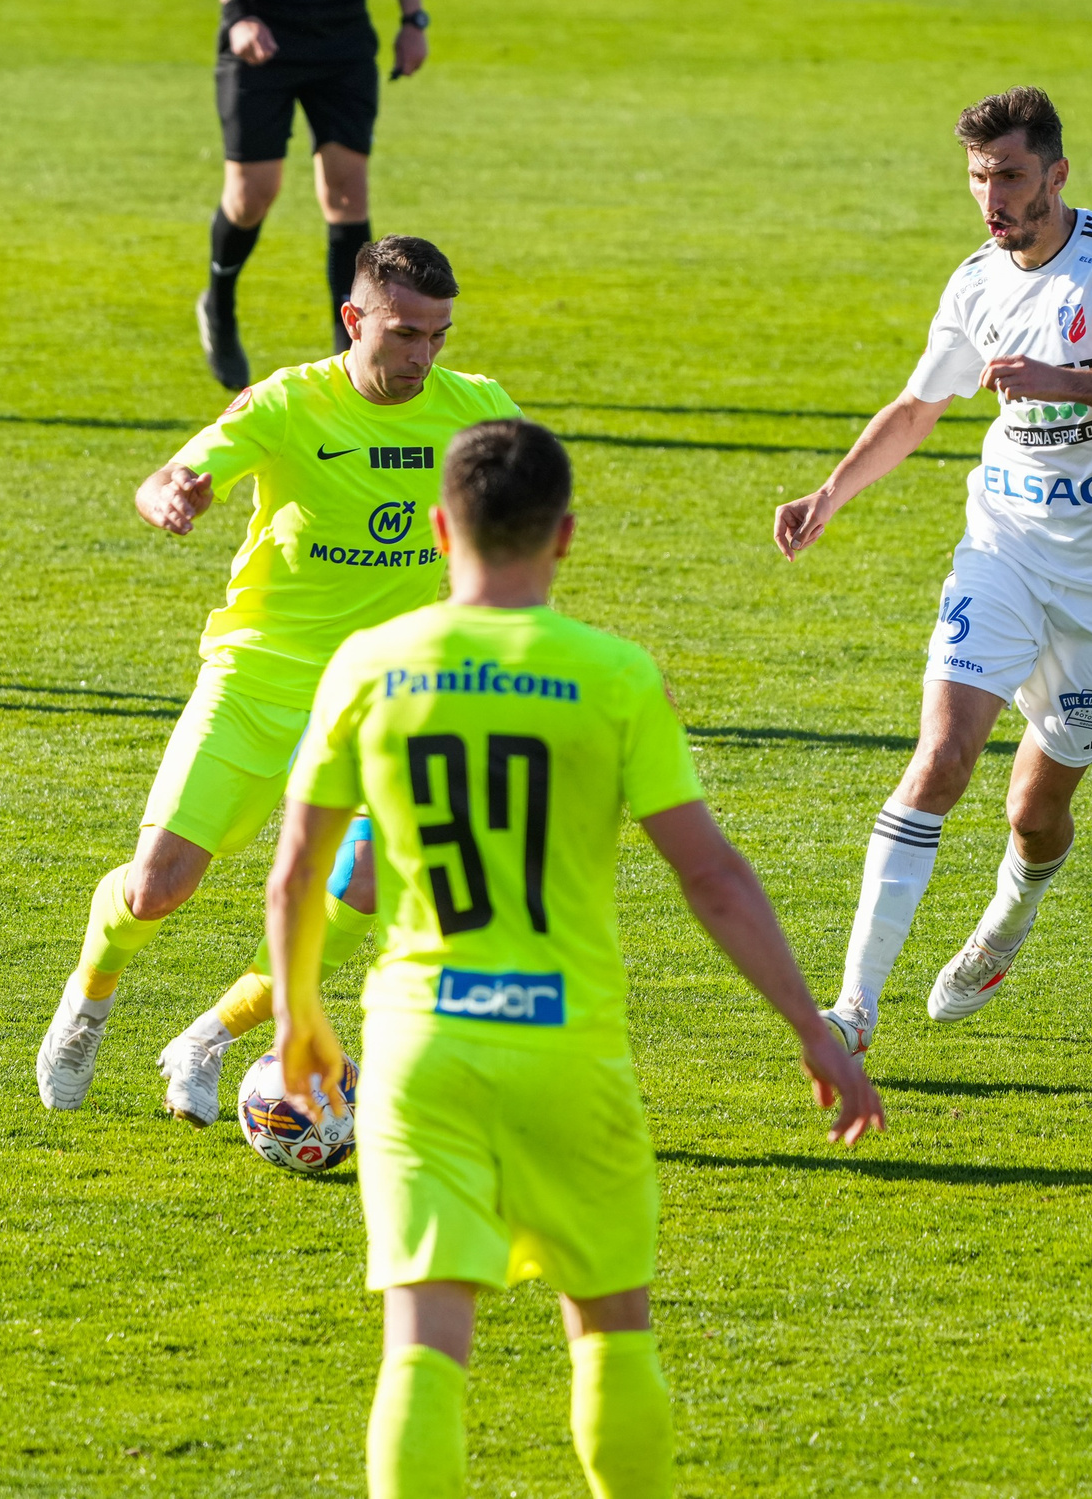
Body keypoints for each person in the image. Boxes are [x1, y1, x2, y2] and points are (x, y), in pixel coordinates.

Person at [269, 419, 884, 1499]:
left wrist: (295, 1016)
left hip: (423, 1046)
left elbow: (296, 876)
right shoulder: (612, 676)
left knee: (421, 1345)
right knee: (609, 1332)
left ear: (434, 526)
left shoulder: (370, 665)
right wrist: (810, 1028)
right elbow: (715, 879)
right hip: (568, 1049)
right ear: (563, 538)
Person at [775, 87, 1092, 1054]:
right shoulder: (975, 281)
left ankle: (1008, 918)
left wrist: (1067, 380)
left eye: (1012, 175)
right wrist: (829, 493)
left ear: (1058, 175)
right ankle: (852, 1011)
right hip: (1006, 551)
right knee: (939, 762)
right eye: (979, 177)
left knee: (1033, 812)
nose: (993, 197)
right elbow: (918, 404)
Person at [34, 237, 518, 1127]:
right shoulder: (291, 402)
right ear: (354, 318)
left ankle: (208, 1038)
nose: (423, 356)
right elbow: (176, 473)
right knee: (158, 886)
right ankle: (90, 998)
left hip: (386, 695)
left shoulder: (477, 408)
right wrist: (171, 495)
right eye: (405, 332)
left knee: (360, 888)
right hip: (260, 674)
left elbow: (519, 524)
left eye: (439, 336)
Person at [193, 0, 424, 389]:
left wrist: (412, 17)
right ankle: (218, 300)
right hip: (258, 35)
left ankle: (342, 363)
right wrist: (239, 12)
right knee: (252, 194)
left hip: (342, 37)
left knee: (347, 194)